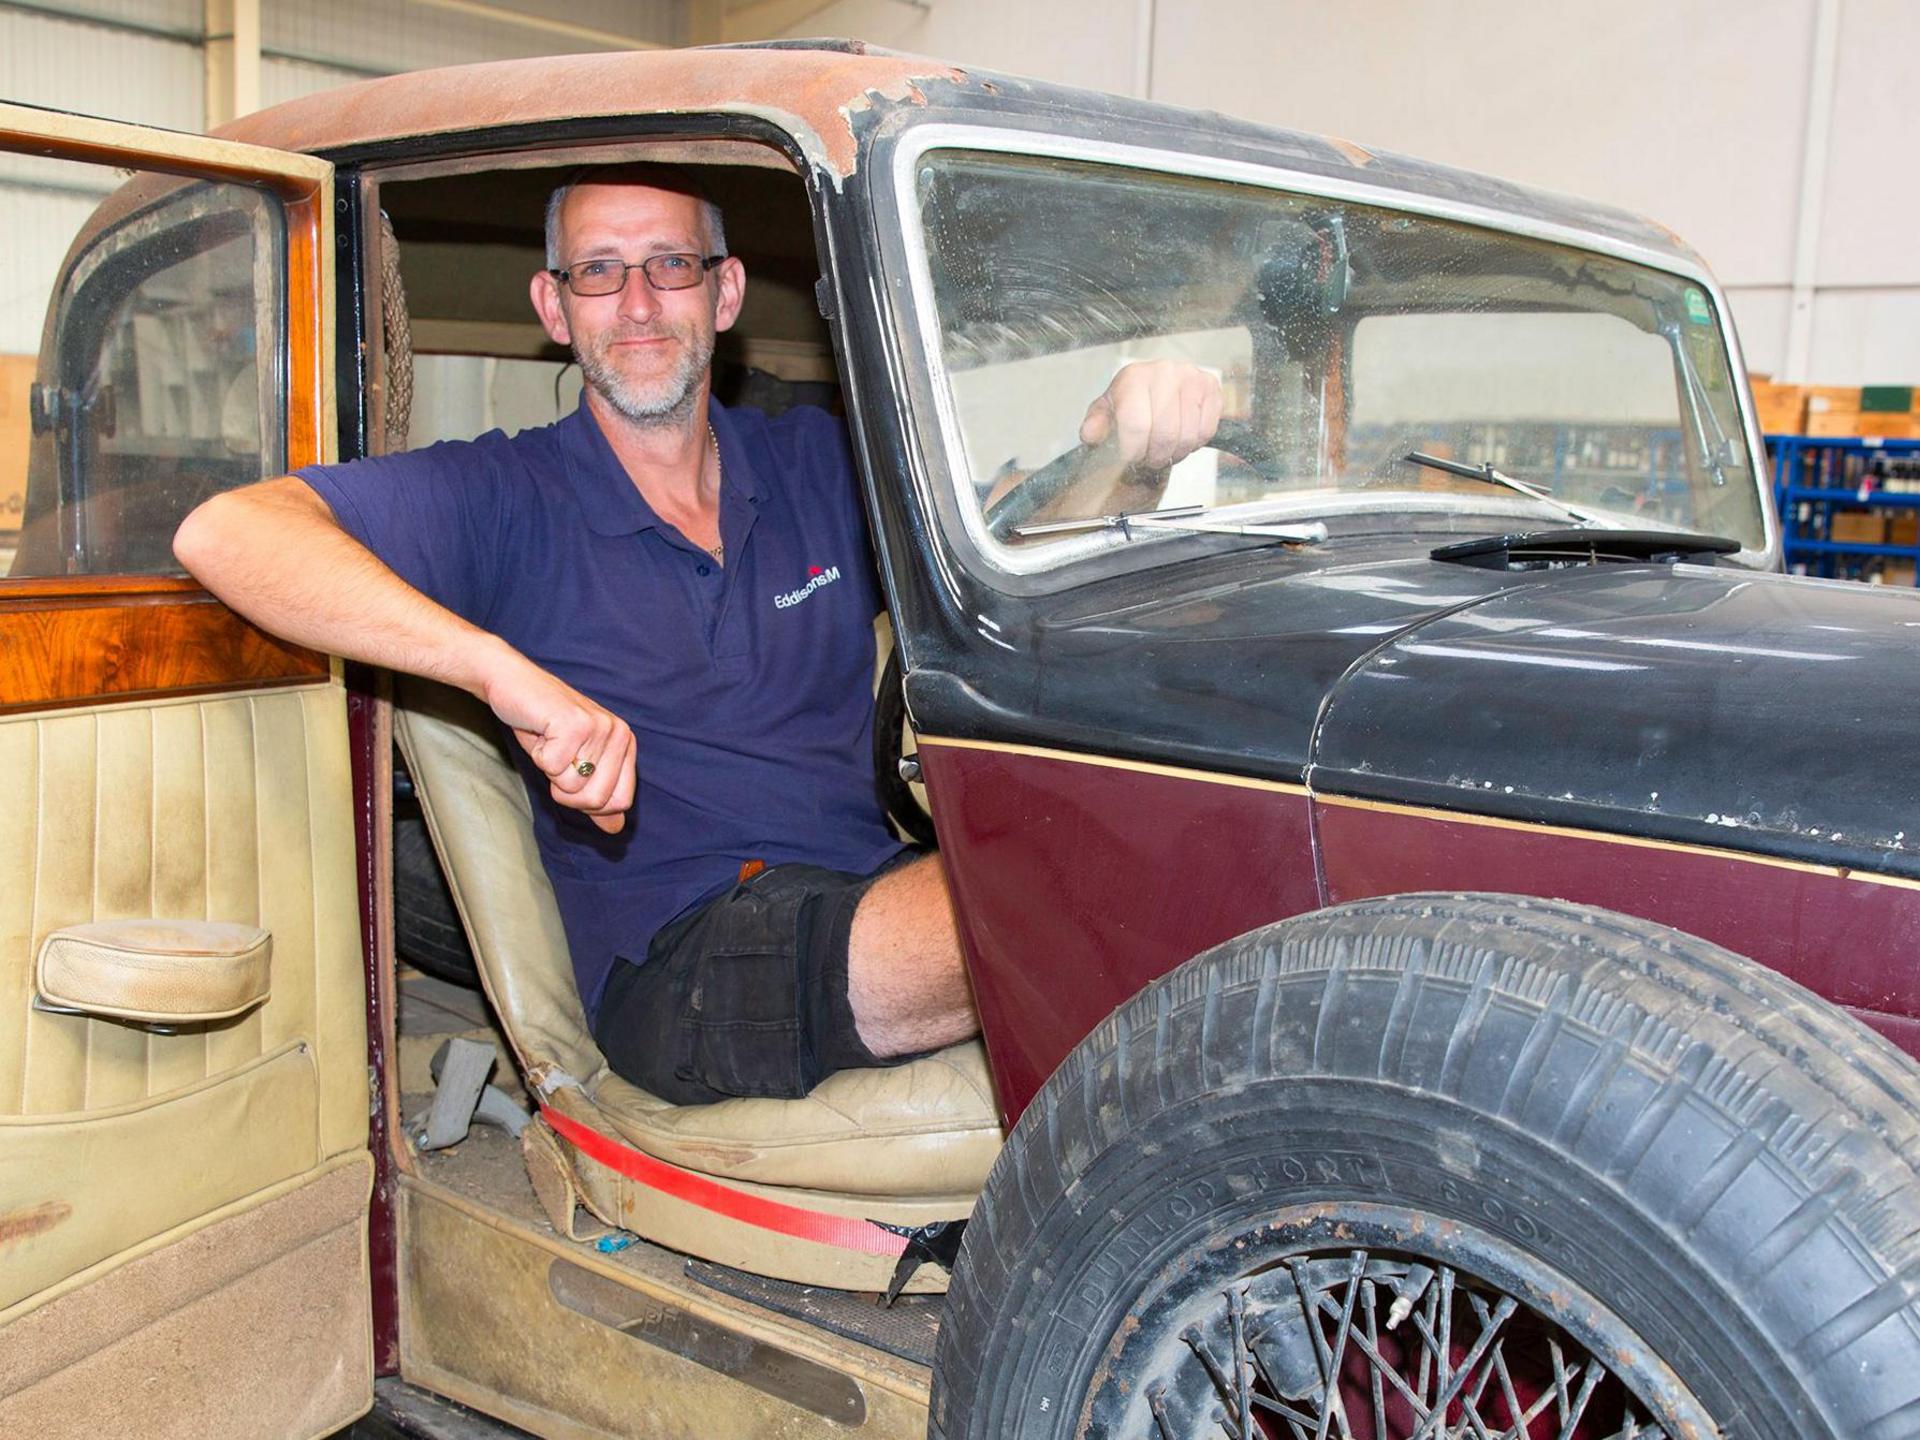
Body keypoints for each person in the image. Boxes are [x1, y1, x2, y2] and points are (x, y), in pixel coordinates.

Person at [173, 165, 1221, 1104]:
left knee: (1146, 837)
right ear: (554, 305)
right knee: (1077, 895)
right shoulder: (503, 493)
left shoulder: (811, 460)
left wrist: (1125, 453)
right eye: (598, 270)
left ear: (723, 292)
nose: (636, 304)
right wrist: (499, 672)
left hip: (867, 883)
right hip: (676, 955)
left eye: (670, 264)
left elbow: (1004, 539)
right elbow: (229, 532)